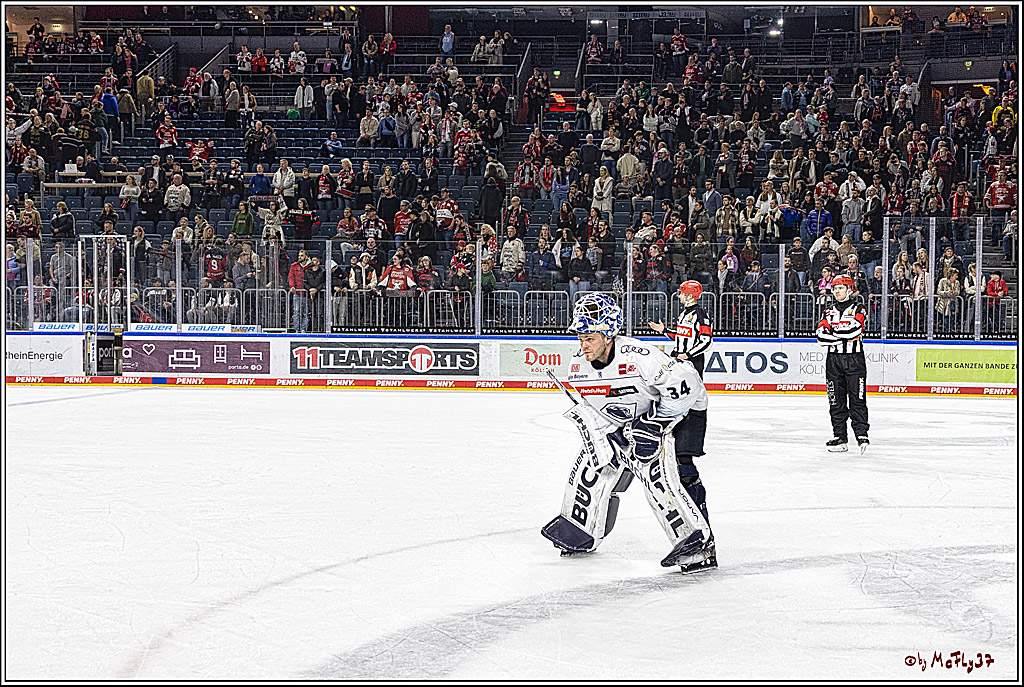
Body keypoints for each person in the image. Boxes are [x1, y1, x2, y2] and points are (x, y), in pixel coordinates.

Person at [540, 293, 716, 574]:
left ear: (609, 335)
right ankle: (581, 528)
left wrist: (655, 423)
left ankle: (697, 544)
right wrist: (612, 434)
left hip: (685, 407)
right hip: (633, 417)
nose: (584, 345)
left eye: (591, 338)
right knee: (596, 460)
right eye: (580, 338)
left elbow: (689, 386)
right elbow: (596, 408)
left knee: (669, 469)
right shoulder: (578, 367)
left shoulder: (641, 358)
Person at [815, 274, 869, 453]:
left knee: (857, 398)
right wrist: (840, 334)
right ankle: (840, 438)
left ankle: (862, 435)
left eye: (840, 288)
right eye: (835, 288)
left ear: (849, 290)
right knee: (835, 400)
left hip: (854, 359)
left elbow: (855, 330)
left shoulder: (859, 308)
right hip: (833, 361)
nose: (837, 291)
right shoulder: (828, 311)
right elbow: (821, 337)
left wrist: (834, 332)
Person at [649, 280, 713, 380]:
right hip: (678, 357)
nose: (679, 296)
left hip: (693, 360)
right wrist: (664, 330)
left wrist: (688, 355)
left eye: (682, 294)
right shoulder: (683, 314)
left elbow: (706, 341)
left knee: (692, 392)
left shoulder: (700, 314)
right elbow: (680, 335)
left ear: (690, 296)